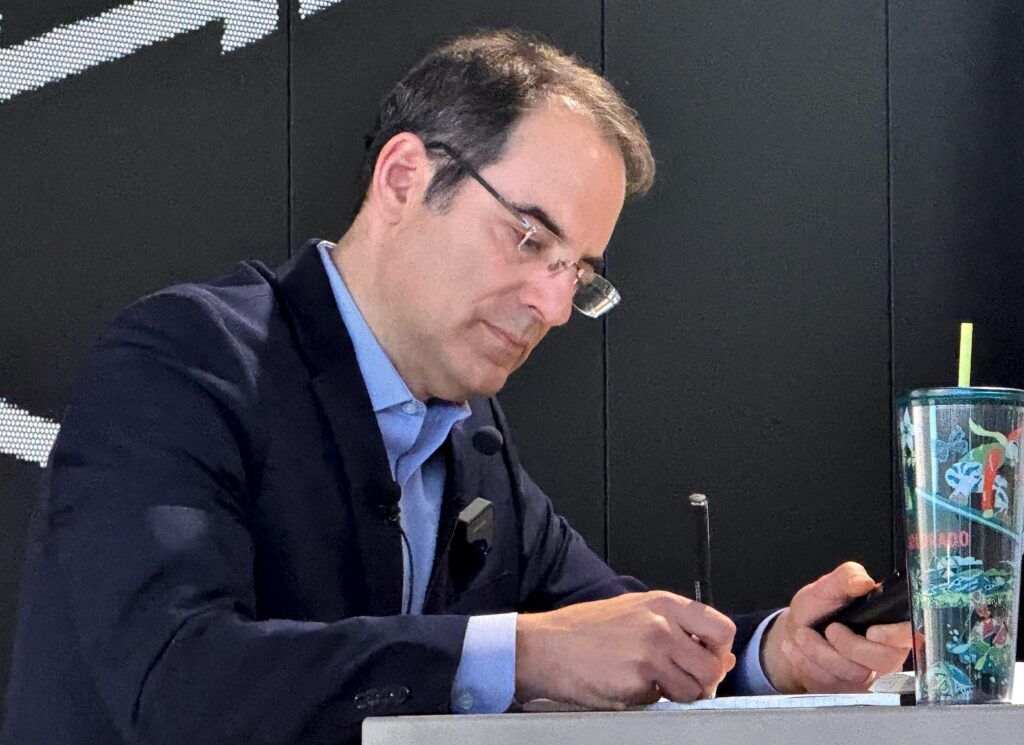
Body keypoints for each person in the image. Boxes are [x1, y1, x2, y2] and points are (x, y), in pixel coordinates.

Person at [1, 29, 911, 745]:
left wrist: (770, 650)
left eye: (579, 272)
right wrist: (521, 654)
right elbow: (175, 684)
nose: (555, 305)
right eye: (529, 238)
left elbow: (610, 627)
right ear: (404, 177)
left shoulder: (472, 436)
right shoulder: (183, 361)